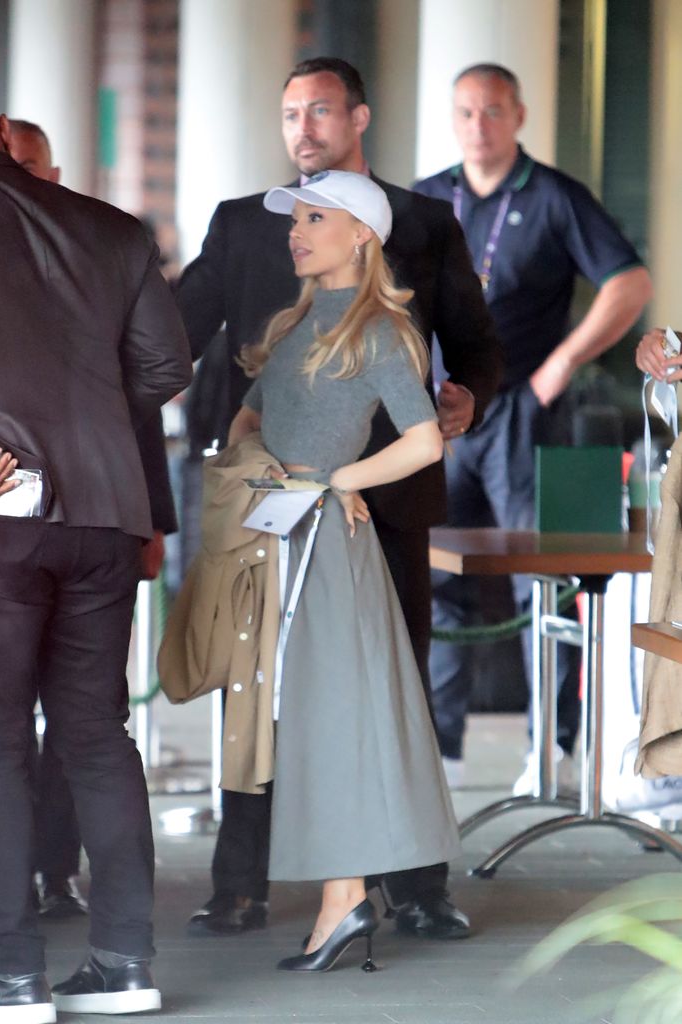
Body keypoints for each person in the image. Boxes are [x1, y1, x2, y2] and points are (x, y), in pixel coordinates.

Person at [177, 56, 501, 943]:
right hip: (269, 507)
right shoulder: (246, 224)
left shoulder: (424, 222)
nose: (302, 127)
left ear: (358, 117)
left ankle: (415, 885)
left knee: (387, 693)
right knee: (259, 686)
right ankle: (239, 883)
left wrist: (467, 395)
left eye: (319, 110)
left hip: (381, 510)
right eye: (289, 114)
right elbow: (173, 332)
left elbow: (473, 344)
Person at [227, 168, 459, 971]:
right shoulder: (298, 323)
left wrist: (336, 481)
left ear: (361, 233)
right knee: (308, 725)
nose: (296, 230)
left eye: (314, 217)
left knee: (335, 724)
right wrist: (269, 467)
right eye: (295, 217)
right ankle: (345, 900)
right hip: (277, 533)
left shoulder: (381, 331)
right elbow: (251, 415)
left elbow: (425, 440)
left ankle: (343, 901)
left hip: (324, 540)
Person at [0, 113, 191, 1022]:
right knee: (97, 736)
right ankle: (124, 965)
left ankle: (15, 977)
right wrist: (92, 424)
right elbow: (165, 364)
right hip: (109, 512)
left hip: (8, 519)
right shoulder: (113, 228)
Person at [414, 63, 653, 793]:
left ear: (517, 115)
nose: (477, 126)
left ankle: (548, 746)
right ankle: (439, 749)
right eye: (464, 113)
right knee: (432, 575)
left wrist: (561, 363)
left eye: (491, 112)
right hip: (439, 412)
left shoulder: (553, 196)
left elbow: (630, 283)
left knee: (537, 582)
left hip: (519, 409)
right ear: (450, 120)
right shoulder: (427, 197)